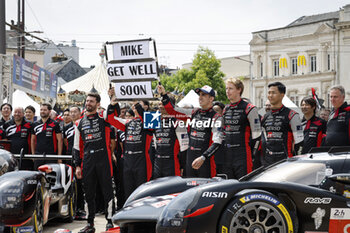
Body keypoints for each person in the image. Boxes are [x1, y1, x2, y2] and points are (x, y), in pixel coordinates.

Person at [157, 84, 223, 178]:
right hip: (190, 162)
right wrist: (164, 95)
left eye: (203, 95)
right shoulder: (193, 113)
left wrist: (203, 157)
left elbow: (217, 142)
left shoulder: (217, 117)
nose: (200, 97)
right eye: (199, 95)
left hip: (205, 163)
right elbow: (173, 110)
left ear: (211, 98)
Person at [73, 93, 117, 232]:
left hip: (103, 158)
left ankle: (109, 221)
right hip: (88, 160)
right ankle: (90, 223)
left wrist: (113, 101)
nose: (88, 103)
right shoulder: (79, 123)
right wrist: (77, 165)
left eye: (91, 101)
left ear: (97, 104)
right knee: (89, 193)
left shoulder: (103, 117)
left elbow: (113, 113)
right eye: (87, 101)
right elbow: (76, 146)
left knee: (107, 191)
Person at [107, 98, 153, 200]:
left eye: (139, 104)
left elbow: (146, 119)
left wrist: (136, 103)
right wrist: (112, 105)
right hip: (128, 161)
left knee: (143, 191)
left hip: (142, 161)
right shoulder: (128, 122)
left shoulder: (151, 118)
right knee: (128, 190)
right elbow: (110, 119)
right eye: (135, 104)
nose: (135, 106)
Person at [223, 78, 261, 179]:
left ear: (239, 90)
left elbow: (257, 136)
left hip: (243, 154)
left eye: (231, 88)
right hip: (227, 155)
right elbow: (223, 132)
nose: (227, 91)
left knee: (244, 185)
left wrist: (252, 155)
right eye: (226, 88)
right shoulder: (226, 109)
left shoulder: (249, 108)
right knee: (229, 185)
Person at [261, 82, 304, 166]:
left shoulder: (292, 115)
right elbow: (261, 140)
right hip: (268, 161)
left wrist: (296, 160)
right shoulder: (265, 116)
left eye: (273, 93)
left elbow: (299, 141)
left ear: (282, 95)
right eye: (269, 93)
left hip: (286, 161)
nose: (270, 95)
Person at [153, 96, 182, 178]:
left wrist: (182, 166)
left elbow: (184, 147)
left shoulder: (178, 121)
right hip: (157, 163)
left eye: (162, 104)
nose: (160, 106)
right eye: (159, 104)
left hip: (172, 163)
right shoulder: (155, 121)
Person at [31, 103, 63, 169]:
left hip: (51, 155)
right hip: (38, 155)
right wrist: (33, 154)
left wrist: (59, 157)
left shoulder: (55, 124)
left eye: (45, 110)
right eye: (41, 110)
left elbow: (60, 141)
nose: (42, 111)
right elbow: (32, 140)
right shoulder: (35, 124)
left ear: (49, 111)